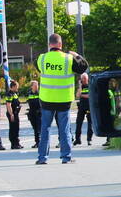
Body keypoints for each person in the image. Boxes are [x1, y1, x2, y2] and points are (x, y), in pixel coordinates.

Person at [35, 33, 87, 165]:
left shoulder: (42, 58)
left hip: (46, 99)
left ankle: (42, 158)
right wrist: (77, 55)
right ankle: (66, 157)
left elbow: (39, 69)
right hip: (64, 99)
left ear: (49, 44)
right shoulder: (68, 59)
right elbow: (83, 67)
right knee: (64, 129)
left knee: (45, 128)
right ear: (60, 44)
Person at [73, 72, 93, 146]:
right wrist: (80, 86)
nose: (83, 80)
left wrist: (82, 95)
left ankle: (89, 139)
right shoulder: (81, 86)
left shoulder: (90, 85)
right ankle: (77, 139)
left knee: (90, 123)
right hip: (81, 107)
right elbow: (77, 95)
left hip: (89, 107)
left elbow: (89, 95)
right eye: (82, 78)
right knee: (78, 123)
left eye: (84, 78)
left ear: (87, 78)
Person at [5, 79, 23, 149]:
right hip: (12, 113)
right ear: (13, 86)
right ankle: (14, 144)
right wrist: (11, 114)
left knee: (16, 128)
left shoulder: (15, 93)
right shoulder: (9, 94)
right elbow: (8, 105)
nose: (17, 88)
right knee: (13, 129)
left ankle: (17, 143)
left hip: (16, 113)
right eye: (16, 86)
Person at [27, 80, 42, 148]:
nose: (36, 87)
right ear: (31, 86)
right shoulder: (29, 94)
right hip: (32, 113)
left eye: (37, 85)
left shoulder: (40, 93)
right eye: (35, 85)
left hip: (39, 113)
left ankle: (40, 142)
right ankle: (37, 142)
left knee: (39, 128)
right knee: (35, 128)